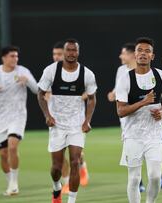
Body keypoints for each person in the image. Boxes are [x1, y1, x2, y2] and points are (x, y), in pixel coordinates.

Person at [37, 38, 97, 203]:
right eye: (68, 50)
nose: (71, 53)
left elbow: (92, 99)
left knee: (75, 161)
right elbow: (40, 94)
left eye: (74, 50)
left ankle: (71, 200)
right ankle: (56, 188)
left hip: (76, 125)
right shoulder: (51, 71)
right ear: (64, 52)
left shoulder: (87, 73)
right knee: (56, 168)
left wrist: (87, 121)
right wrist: (47, 116)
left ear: (78, 52)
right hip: (57, 124)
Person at [116, 37, 162, 203]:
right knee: (134, 179)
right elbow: (120, 111)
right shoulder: (125, 79)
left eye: (147, 51)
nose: (143, 54)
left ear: (152, 56)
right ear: (135, 55)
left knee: (155, 177)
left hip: (154, 135)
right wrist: (143, 102)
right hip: (132, 136)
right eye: (140, 50)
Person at [0, 46, 38, 196]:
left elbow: (37, 90)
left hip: (18, 116)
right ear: (4, 58)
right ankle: (10, 181)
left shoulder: (23, 71)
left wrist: (28, 81)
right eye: (12, 56)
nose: (15, 59)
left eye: (16, 56)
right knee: (3, 154)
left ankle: (14, 183)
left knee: (12, 146)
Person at [49, 41, 90, 194]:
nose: (57, 57)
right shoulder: (51, 72)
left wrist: (78, 97)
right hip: (56, 120)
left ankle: (80, 170)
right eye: (55, 54)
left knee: (75, 156)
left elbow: (89, 93)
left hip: (75, 119)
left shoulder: (80, 71)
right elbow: (42, 92)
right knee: (59, 158)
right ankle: (65, 181)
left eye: (59, 54)